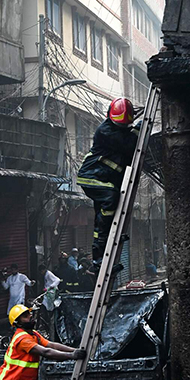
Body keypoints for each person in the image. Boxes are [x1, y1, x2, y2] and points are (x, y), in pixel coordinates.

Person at [77, 98, 139, 266]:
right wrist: (138, 129)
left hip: (105, 179)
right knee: (111, 198)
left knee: (102, 216)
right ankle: (103, 246)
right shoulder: (105, 131)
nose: (122, 127)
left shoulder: (121, 129)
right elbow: (130, 143)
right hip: (91, 177)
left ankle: (100, 257)